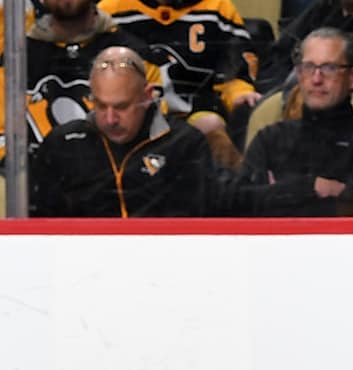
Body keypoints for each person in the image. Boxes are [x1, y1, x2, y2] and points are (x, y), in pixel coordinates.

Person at [31, 45, 220, 216]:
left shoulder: (184, 143)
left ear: (147, 95)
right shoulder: (62, 144)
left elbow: (203, 222)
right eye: (101, 105)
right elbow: (40, 224)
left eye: (121, 107)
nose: (110, 119)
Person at [100, 0, 259, 167]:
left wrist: (240, 94)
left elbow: (234, 72)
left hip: (195, 110)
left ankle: (232, 182)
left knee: (211, 125)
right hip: (129, 111)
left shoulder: (218, 8)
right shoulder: (111, 9)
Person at [229, 27, 353, 216]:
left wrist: (277, 193)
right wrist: (309, 187)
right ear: (298, 73)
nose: (316, 79)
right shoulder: (270, 139)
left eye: (329, 68)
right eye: (308, 67)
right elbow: (241, 204)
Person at [2, 0, 160, 153]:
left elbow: (159, 141)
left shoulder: (138, 58)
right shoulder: (12, 61)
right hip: (33, 168)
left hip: (118, 168)